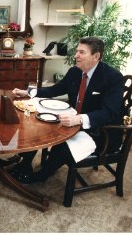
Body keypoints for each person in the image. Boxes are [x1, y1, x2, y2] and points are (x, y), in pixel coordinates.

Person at [11, 37, 124, 184]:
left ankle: (40, 176)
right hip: (74, 121)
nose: (76, 55)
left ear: (96, 56)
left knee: (62, 146)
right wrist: (28, 92)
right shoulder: (75, 72)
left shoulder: (113, 77)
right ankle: (25, 164)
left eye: (81, 52)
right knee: (37, 125)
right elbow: (55, 89)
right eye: (77, 51)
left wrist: (80, 119)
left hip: (101, 132)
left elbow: (110, 112)